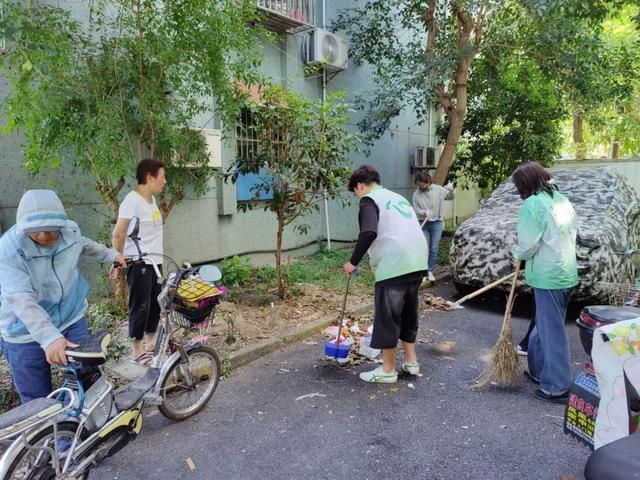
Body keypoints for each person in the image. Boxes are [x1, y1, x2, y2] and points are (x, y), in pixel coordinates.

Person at [0, 190, 126, 403]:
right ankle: (51, 436)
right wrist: (50, 338)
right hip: (24, 330)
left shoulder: (70, 231)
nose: (44, 236)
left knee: (87, 379)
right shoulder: (8, 250)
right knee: (37, 401)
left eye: (51, 229)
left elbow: (84, 245)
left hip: (71, 317)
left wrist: (112, 255)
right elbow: (22, 300)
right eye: (36, 231)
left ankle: (84, 431)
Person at [343, 165, 428, 383]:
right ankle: (411, 362)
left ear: (360, 186)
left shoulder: (369, 200)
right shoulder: (397, 197)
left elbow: (369, 231)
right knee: (409, 314)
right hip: (418, 260)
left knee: (388, 317)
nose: (357, 195)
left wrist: (352, 262)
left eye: (356, 191)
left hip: (395, 263)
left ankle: (388, 370)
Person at [511, 161, 578, 403]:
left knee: (552, 333)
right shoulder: (560, 199)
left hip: (548, 276)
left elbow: (528, 244)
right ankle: (540, 372)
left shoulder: (533, 204)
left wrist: (516, 255)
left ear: (525, 185)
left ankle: (556, 386)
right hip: (566, 272)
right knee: (544, 326)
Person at [112, 159, 166, 366]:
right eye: (162, 177)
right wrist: (117, 260)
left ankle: (151, 344)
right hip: (139, 262)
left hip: (155, 260)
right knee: (140, 305)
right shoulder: (131, 201)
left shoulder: (151, 201)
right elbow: (119, 233)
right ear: (149, 177)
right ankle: (136, 350)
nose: (165, 181)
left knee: (154, 303)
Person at [411, 171, 454, 282]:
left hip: (436, 223)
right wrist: (424, 212)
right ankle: (422, 272)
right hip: (423, 223)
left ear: (428, 182)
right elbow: (416, 210)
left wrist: (451, 189)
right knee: (424, 248)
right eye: (418, 185)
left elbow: (450, 197)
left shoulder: (438, 189)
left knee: (433, 248)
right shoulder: (416, 194)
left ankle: (430, 271)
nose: (420, 187)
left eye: (423, 185)